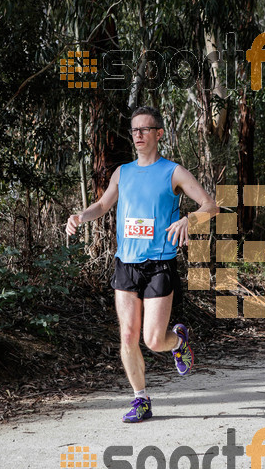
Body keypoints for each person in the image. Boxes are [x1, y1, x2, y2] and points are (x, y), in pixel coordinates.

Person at [66, 105, 218, 422]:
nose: (138, 134)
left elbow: (210, 205)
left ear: (158, 134)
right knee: (128, 336)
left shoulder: (172, 171)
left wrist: (189, 219)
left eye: (144, 129)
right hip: (126, 264)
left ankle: (179, 341)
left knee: (152, 340)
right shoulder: (123, 172)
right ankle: (141, 400)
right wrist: (82, 216)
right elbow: (103, 204)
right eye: (134, 129)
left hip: (159, 265)